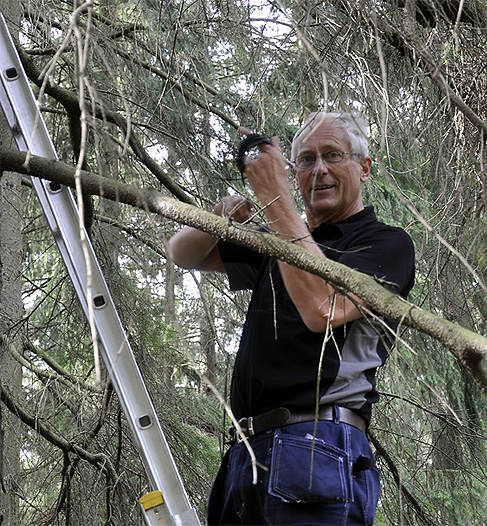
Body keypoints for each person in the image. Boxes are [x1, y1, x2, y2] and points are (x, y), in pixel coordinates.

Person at [167, 112, 415, 525]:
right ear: (295, 171)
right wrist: (221, 217)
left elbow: (323, 309)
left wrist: (274, 192)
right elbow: (182, 252)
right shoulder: (281, 242)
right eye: (305, 160)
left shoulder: (385, 244)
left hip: (319, 445)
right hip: (247, 453)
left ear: (364, 168)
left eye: (333, 155)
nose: (319, 170)